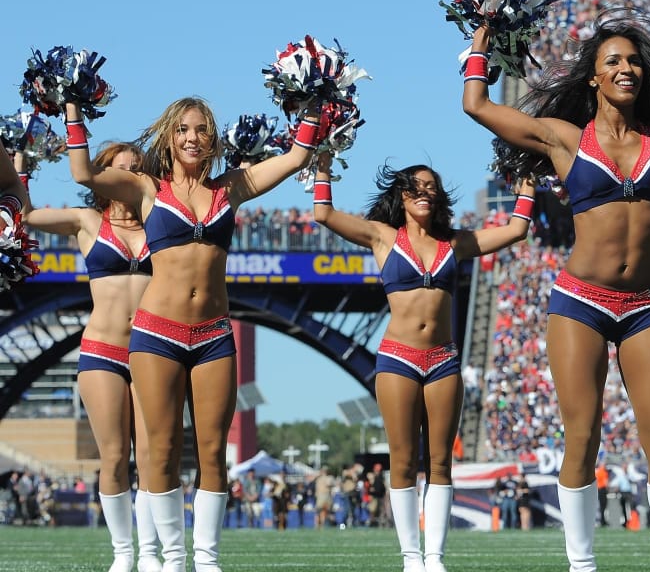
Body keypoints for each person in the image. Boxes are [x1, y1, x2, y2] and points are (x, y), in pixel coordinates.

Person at [463, 9, 650, 572]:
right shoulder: (564, 138)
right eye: (613, 61)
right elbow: (476, 105)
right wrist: (482, 35)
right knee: (582, 435)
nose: (626, 68)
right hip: (581, 302)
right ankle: (582, 565)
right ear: (594, 77)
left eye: (633, 61)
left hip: (647, 304)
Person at [68, 97, 320, 572]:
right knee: (160, 452)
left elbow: (296, 158)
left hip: (212, 334)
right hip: (156, 332)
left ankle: (207, 561)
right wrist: (72, 108)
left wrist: (312, 102)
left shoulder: (231, 188)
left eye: (202, 130)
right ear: (169, 136)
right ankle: (172, 559)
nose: (192, 138)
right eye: (183, 129)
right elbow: (84, 173)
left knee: (212, 452)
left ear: (213, 140)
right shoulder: (147, 188)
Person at [311, 155, 532, 572]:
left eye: (431, 186)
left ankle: (436, 558)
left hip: (444, 359)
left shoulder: (456, 242)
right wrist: (323, 166)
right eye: (415, 186)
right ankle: (411, 557)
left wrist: (528, 182)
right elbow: (323, 214)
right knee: (403, 458)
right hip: (398, 357)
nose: (424, 192)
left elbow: (517, 230)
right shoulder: (382, 237)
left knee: (441, 461)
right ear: (401, 195)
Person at [15, 145, 161, 572]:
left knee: (153, 457)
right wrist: (21, 167)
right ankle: (122, 553)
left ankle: (150, 553)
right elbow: (26, 217)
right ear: (103, 176)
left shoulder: (161, 222)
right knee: (114, 456)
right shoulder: (88, 221)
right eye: (122, 169)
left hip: (152, 350)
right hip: (103, 349)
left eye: (138, 169)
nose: (131, 175)